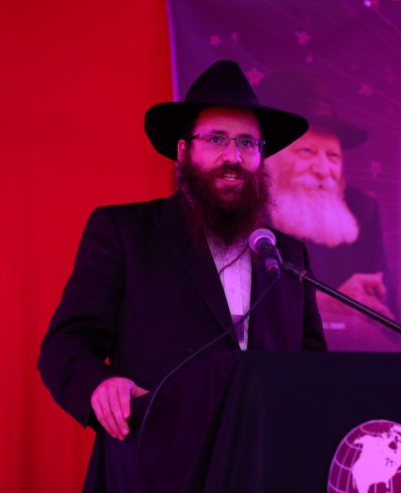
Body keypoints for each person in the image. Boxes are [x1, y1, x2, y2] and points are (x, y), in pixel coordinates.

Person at [37, 60, 326, 492]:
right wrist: (100, 385)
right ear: (183, 151)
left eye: (248, 143)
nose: (233, 157)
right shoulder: (125, 232)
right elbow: (66, 344)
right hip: (155, 466)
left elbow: (313, 368)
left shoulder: (285, 254)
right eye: (216, 139)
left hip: (264, 471)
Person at [257, 71, 396, 337]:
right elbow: (239, 303)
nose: (322, 170)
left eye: (332, 156)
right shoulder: (246, 208)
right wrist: (325, 303)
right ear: (271, 159)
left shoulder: (361, 209)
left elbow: (380, 302)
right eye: (307, 152)